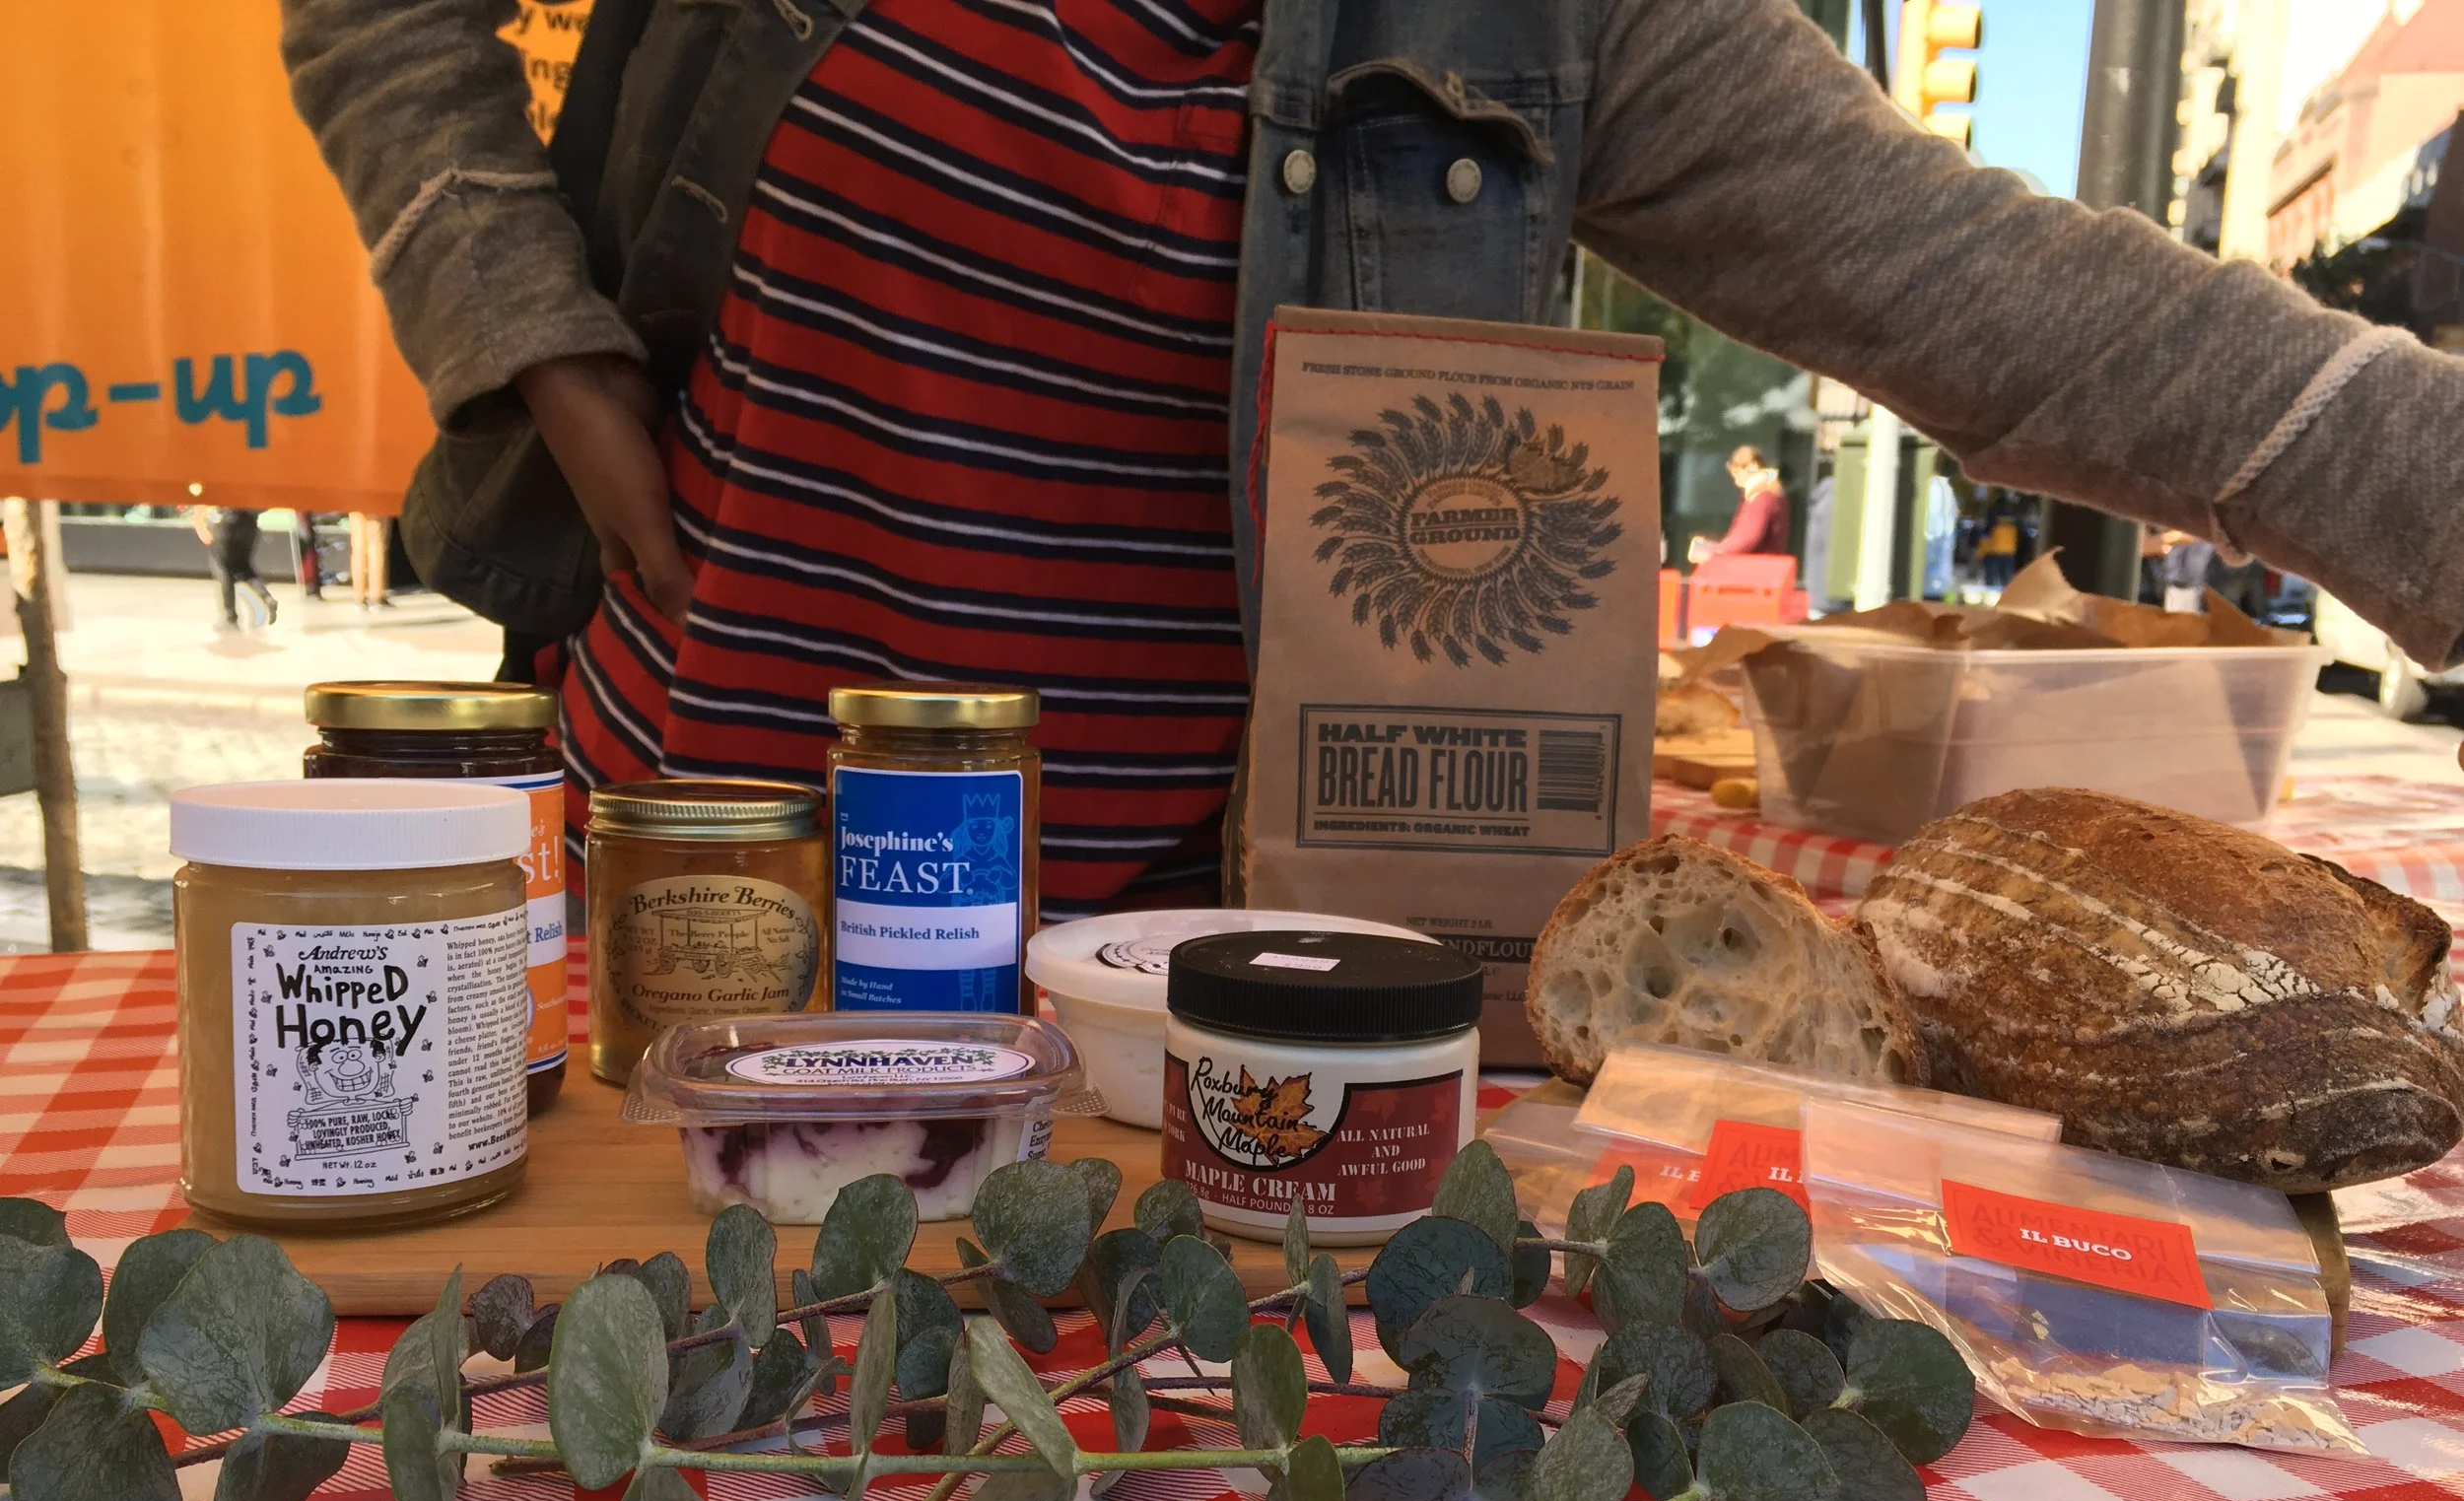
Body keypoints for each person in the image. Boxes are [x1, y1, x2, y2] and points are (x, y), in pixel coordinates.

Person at [279, 0, 2464, 913]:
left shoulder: (1564, 18)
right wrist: (526, 329)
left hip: (1143, 966)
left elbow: (2032, 310)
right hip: (670, 881)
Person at [1688, 445, 1791, 565]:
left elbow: (1746, 539)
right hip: (1763, 569)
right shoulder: (1768, 493)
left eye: (1737, 472)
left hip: (1754, 573)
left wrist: (1714, 550)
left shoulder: (1762, 497)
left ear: (1753, 466)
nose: (1736, 480)